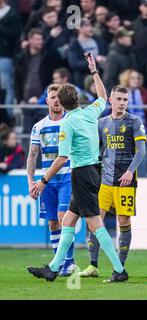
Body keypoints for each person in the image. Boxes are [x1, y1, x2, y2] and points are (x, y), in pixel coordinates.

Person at [27, 52, 129, 283]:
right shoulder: (90, 113)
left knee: (95, 223)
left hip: (82, 174)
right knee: (68, 221)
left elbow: (62, 158)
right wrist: (94, 70)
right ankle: (53, 268)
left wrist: (42, 182)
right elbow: (103, 95)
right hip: (94, 171)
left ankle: (118, 269)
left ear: (61, 103)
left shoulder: (67, 123)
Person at [79, 85, 147, 278]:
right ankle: (93, 266)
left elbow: (141, 151)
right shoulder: (101, 123)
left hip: (126, 182)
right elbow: (97, 151)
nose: (122, 103)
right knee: (94, 220)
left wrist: (129, 171)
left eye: (125, 100)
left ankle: (120, 267)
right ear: (110, 100)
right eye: (119, 99)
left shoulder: (134, 121)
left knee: (123, 220)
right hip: (105, 182)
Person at [26, 84, 76, 276]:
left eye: (58, 97)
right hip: (48, 180)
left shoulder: (70, 122)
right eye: (52, 97)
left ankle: (69, 262)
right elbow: (32, 156)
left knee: (65, 218)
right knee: (52, 223)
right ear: (47, 100)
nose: (56, 100)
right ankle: (60, 263)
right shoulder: (39, 127)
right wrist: (30, 181)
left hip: (67, 177)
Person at [103, 27, 137, 92]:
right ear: (120, 39)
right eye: (127, 37)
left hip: (129, 93)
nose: (130, 39)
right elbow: (108, 79)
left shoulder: (130, 53)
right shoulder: (113, 56)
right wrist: (115, 95)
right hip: (119, 96)